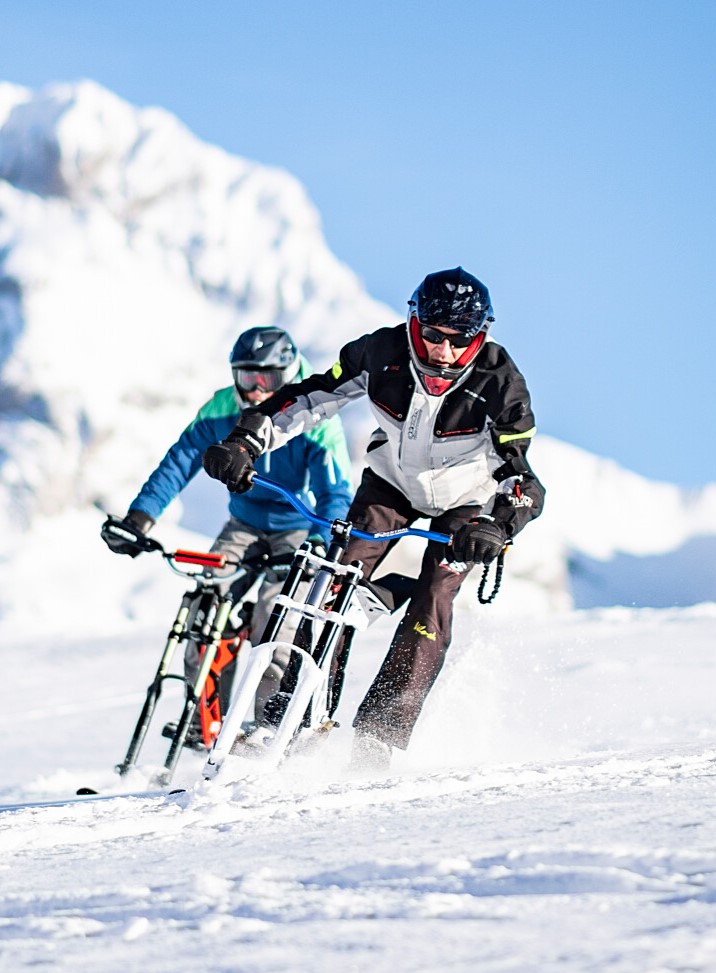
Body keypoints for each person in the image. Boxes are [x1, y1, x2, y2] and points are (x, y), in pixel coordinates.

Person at [201, 268, 545, 774]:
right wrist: (246, 441)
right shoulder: (380, 353)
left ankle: (377, 742)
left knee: (433, 603)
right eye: (432, 335)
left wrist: (496, 526)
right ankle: (293, 722)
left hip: (465, 504)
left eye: (459, 340)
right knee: (331, 587)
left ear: (481, 336)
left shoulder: (502, 383)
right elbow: (310, 397)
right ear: (414, 322)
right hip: (391, 486)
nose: (443, 352)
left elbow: (522, 481)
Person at [101, 326, 353, 741]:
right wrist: (141, 518)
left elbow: (334, 490)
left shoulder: (314, 415)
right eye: (245, 377)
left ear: (288, 375)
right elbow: (181, 459)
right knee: (205, 606)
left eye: (267, 379)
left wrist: (321, 540)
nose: (254, 389)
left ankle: (267, 729)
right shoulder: (221, 407)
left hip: (298, 528)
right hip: (243, 525)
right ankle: (204, 720)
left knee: (275, 620)